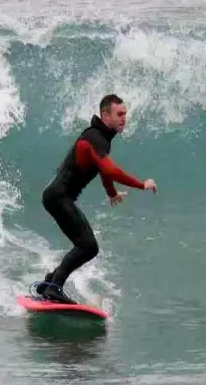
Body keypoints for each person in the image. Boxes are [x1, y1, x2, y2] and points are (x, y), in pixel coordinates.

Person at [36, 94, 157, 304]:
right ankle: (54, 286)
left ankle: (50, 283)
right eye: (119, 114)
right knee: (88, 246)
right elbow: (111, 169)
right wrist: (141, 184)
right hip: (59, 197)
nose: (124, 118)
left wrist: (112, 193)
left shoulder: (101, 137)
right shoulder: (95, 137)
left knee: (85, 245)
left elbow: (103, 170)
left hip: (58, 197)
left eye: (125, 114)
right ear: (105, 115)